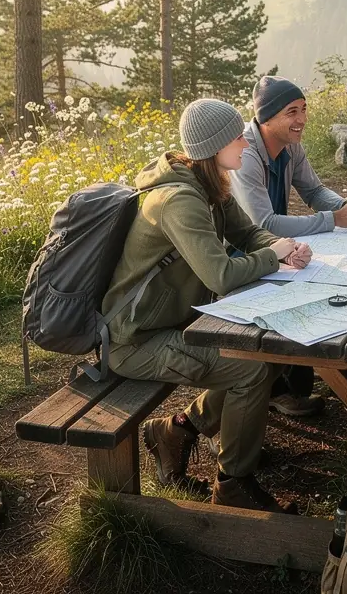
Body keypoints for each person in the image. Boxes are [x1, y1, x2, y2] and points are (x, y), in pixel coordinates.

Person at [103, 97, 312, 511]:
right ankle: (233, 484)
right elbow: (220, 275)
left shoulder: (210, 183)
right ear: (213, 146)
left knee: (267, 354)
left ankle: (179, 428)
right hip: (134, 341)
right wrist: (274, 256)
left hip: (169, 323)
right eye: (237, 137)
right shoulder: (179, 201)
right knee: (251, 369)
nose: (246, 143)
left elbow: (248, 234)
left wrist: (282, 249)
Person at [230, 75, 347, 417]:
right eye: (291, 112)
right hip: (240, 256)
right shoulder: (246, 154)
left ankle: (292, 385)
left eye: (304, 109)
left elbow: (313, 191)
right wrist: (333, 220)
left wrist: (344, 205)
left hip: (275, 250)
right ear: (266, 117)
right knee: (314, 289)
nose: (302, 120)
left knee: (329, 285)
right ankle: (280, 387)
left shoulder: (289, 145)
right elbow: (262, 223)